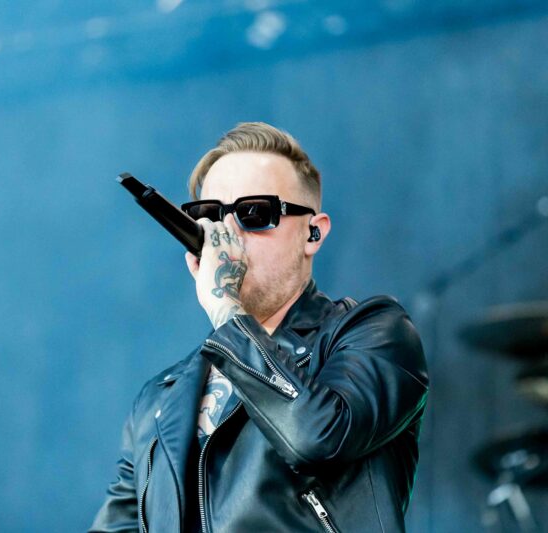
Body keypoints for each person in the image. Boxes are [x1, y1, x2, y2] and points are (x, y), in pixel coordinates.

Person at [89, 122, 429, 532]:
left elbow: (316, 437)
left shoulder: (373, 332)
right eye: (209, 217)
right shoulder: (160, 398)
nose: (227, 236)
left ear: (313, 232)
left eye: (254, 214)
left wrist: (225, 306)